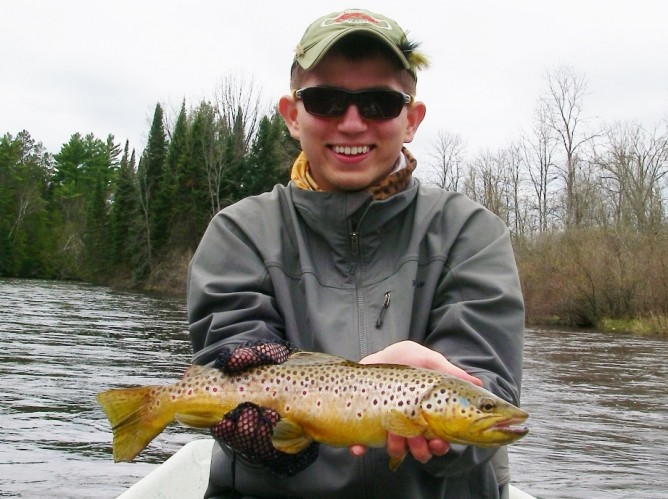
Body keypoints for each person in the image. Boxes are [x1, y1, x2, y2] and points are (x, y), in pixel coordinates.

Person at [187, 8, 524, 499]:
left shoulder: (470, 233)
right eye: (325, 100)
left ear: (411, 119)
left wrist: (436, 419)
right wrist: (265, 432)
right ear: (291, 115)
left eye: (378, 103)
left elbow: (486, 394)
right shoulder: (239, 232)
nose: (350, 123)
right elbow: (233, 361)